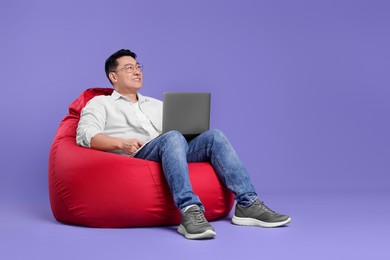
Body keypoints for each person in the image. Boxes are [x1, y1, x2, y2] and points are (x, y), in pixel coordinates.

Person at [76, 49, 291, 240]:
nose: (137, 72)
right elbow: (86, 135)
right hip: (138, 154)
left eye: (138, 67)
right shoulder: (100, 103)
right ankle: (189, 209)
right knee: (172, 136)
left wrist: (190, 131)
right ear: (113, 76)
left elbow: (178, 132)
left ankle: (247, 204)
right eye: (129, 68)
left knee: (214, 135)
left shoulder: (156, 104)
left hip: (172, 148)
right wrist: (121, 143)